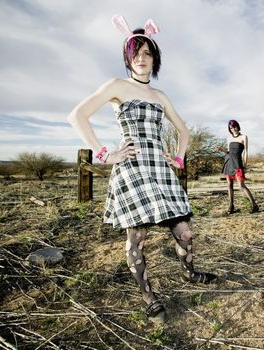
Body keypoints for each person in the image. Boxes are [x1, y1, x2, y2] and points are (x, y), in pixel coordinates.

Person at [67, 15, 217, 323]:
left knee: (185, 233)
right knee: (137, 239)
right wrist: (106, 154)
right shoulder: (116, 86)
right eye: (135, 53)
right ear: (127, 57)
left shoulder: (160, 96)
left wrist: (176, 158)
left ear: (155, 58)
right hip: (133, 169)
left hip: (161, 172)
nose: (141, 58)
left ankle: (189, 274)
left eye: (147, 52)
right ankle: (148, 296)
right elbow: (78, 116)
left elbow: (184, 131)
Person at [222, 120, 259, 214]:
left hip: (237, 163)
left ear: (238, 126)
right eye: (231, 128)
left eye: (234, 127)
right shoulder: (229, 138)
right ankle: (231, 206)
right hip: (229, 162)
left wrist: (245, 164)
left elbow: (246, 152)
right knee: (229, 184)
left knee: (241, 185)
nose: (233, 129)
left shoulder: (243, 137)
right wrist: (221, 149)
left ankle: (254, 205)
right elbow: (228, 151)